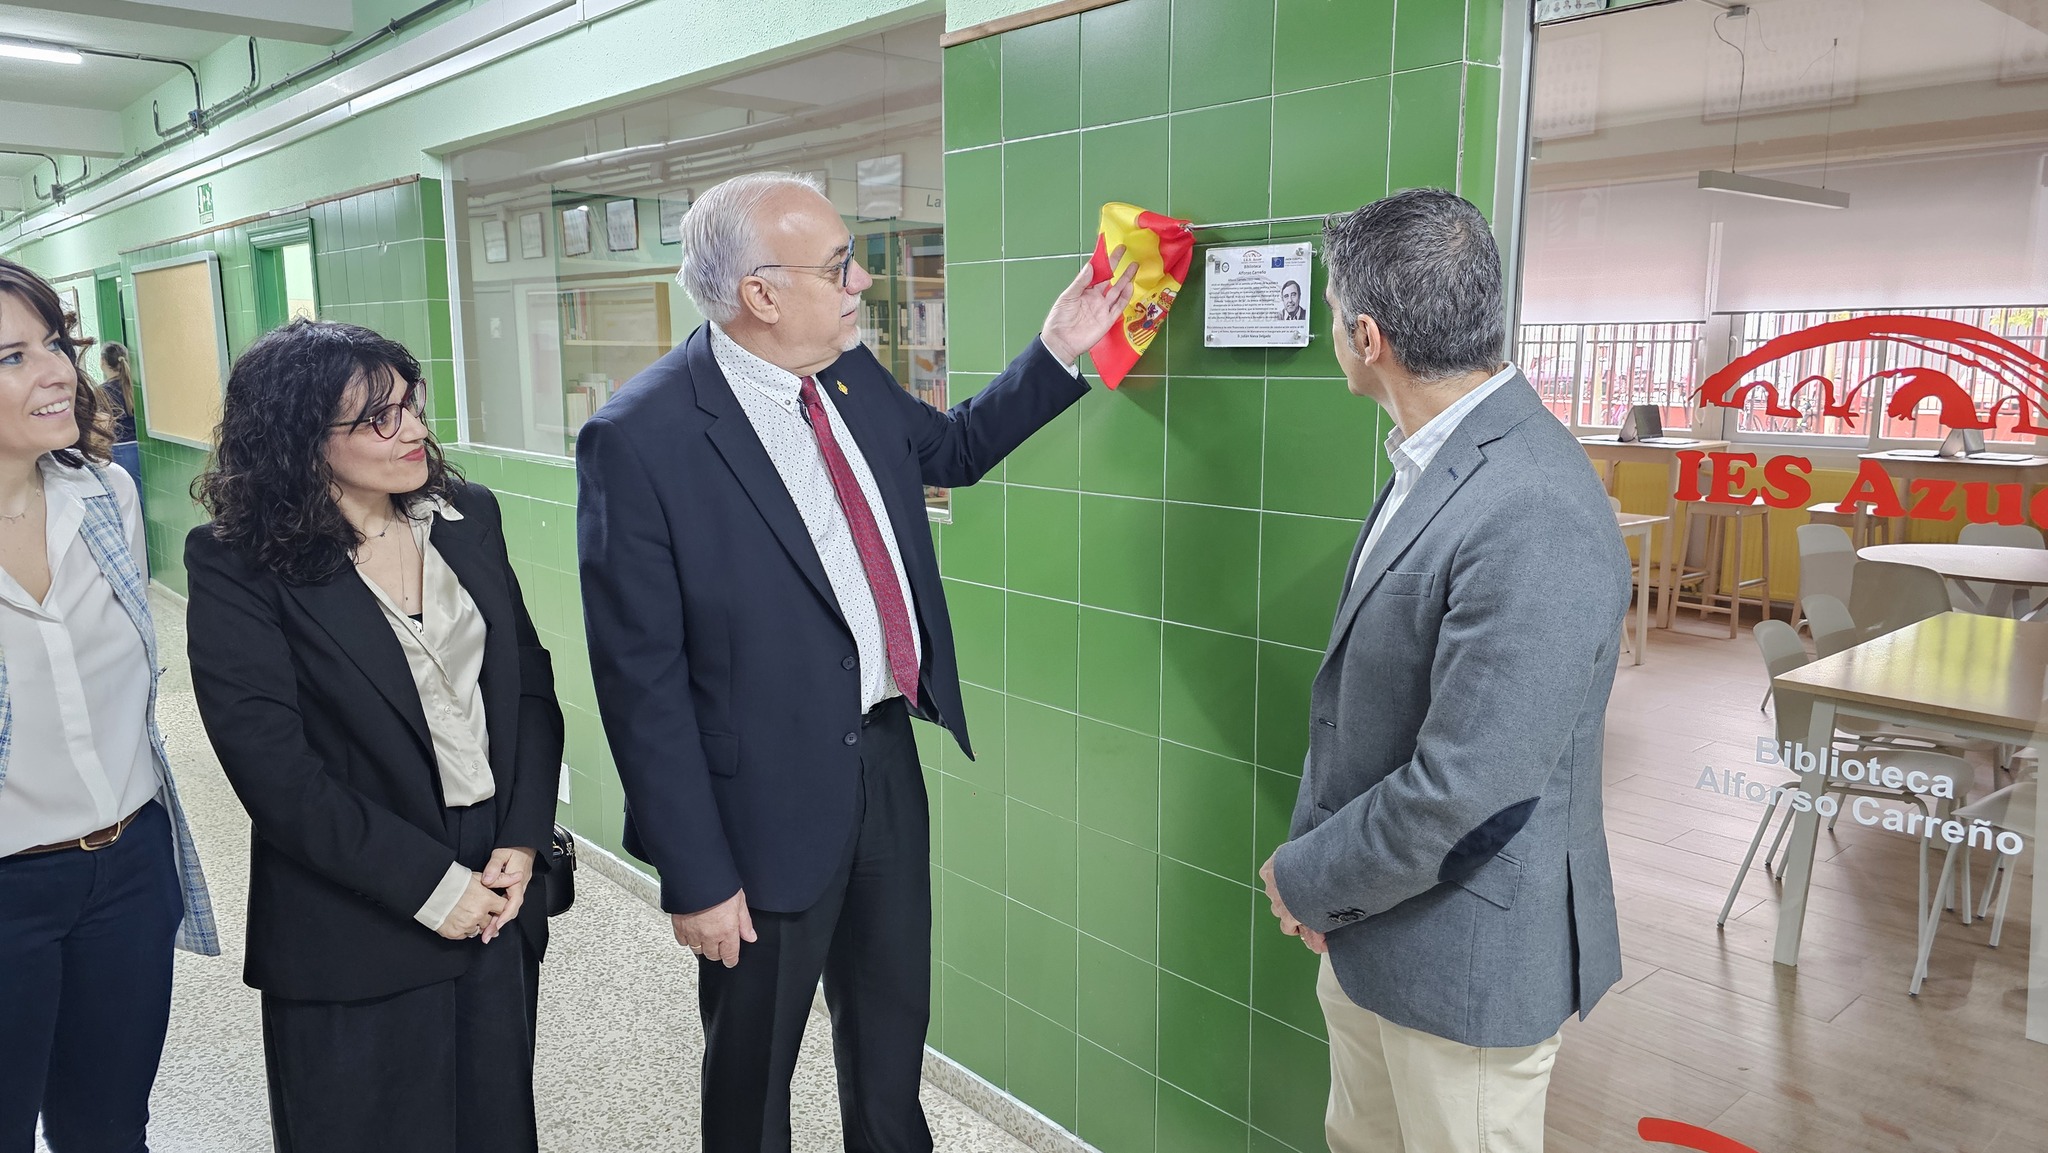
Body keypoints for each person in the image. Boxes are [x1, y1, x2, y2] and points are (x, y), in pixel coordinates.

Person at [576, 171, 1133, 1152]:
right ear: (760, 294)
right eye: (839, 264)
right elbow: (641, 682)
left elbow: (950, 448)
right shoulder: (642, 438)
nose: (861, 280)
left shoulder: (843, 372)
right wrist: (696, 874)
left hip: (881, 761)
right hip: (756, 809)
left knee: (888, 1045)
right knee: (751, 1073)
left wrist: (1056, 350)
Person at [1257, 189, 1631, 1153]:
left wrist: (1307, 877)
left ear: (1366, 336)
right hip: (1377, 929)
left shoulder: (1533, 505)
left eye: (1333, 316)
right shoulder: (1439, 457)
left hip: (1466, 961)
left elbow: (1466, 786)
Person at [185, 318, 564, 1153]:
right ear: (299, 438)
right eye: (378, 419)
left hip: (498, 883)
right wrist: (435, 886)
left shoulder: (467, 516)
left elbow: (528, 688)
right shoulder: (239, 562)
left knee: (496, 1128)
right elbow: (276, 770)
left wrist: (522, 837)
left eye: (413, 404)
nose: (416, 431)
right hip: (356, 901)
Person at [0, 257, 218, 1152]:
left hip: (128, 868)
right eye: (10, 356)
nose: (56, 371)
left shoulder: (105, 497)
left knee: (109, 1128)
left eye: (53, 344)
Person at [99, 342, 143, 508]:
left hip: (117, 449)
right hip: (138, 448)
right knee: (140, 497)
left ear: (102, 361)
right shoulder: (135, 387)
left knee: (124, 500)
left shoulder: (102, 392)